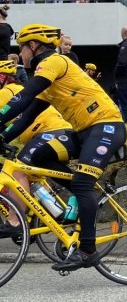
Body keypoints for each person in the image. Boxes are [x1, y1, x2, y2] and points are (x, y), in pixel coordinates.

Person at [0, 23, 126, 271]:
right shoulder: (48, 78)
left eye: (22, 49)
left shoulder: (55, 62)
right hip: (82, 132)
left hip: (106, 126)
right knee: (37, 157)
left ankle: (87, 251)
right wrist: (4, 135)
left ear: (33, 46)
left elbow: (23, 97)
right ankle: (82, 197)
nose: (21, 55)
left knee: (81, 182)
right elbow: (26, 116)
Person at [0, 59, 77, 236]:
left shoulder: (7, 91)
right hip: (57, 131)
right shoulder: (18, 89)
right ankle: (51, 213)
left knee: (18, 172)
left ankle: (15, 221)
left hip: (49, 133)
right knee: (30, 175)